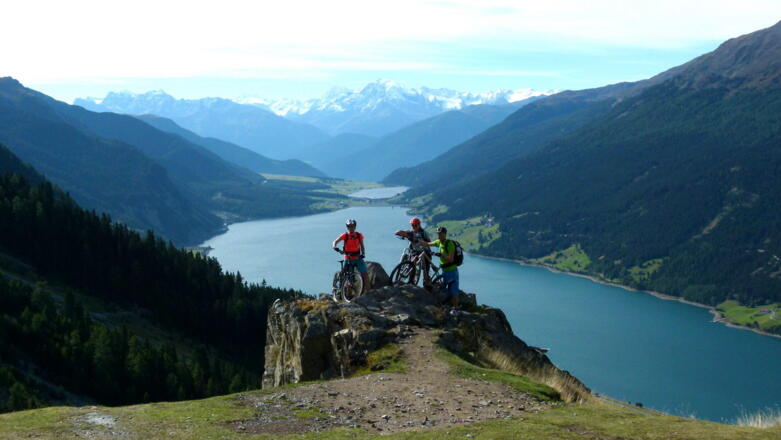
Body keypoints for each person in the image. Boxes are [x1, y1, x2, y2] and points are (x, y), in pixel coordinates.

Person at [421, 226, 460, 315]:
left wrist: (441, 255)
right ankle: (446, 305)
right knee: (445, 288)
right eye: (438, 234)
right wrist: (417, 242)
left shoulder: (449, 244)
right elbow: (428, 244)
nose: (439, 235)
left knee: (454, 290)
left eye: (441, 234)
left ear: (445, 234)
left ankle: (456, 309)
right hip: (444, 270)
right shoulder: (439, 242)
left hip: (452, 271)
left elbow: (450, 259)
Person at [332, 219, 368, 293]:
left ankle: (369, 292)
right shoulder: (345, 235)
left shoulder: (359, 235)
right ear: (347, 227)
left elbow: (362, 246)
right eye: (349, 226)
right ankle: (345, 293)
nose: (351, 228)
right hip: (347, 257)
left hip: (357, 257)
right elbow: (335, 241)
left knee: (365, 274)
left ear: (355, 227)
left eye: (352, 226)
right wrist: (334, 247)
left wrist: (363, 254)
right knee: (347, 277)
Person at [394, 217, 432, 286]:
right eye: (412, 225)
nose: (413, 227)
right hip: (415, 252)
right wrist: (400, 233)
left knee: (425, 270)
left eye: (415, 225)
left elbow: (429, 242)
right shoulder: (411, 233)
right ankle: (411, 281)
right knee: (412, 263)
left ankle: (427, 282)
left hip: (425, 253)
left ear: (419, 225)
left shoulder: (424, 233)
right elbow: (399, 232)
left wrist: (420, 242)